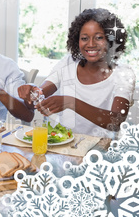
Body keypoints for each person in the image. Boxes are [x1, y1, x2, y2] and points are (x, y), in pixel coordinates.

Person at [18, 8, 136, 137]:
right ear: (76, 40)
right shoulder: (68, 63)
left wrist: (71, 102)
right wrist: (32, 93)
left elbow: (116, 121)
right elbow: (42, 91)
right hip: (64, 143)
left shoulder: (124, 74)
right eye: (84, 38)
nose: (91, 44)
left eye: (99, 37)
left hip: (101, 150)